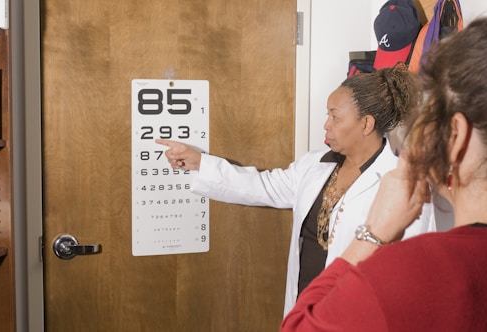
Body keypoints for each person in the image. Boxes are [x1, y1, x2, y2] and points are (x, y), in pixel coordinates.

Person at [156, 66, 435, 316]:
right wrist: (199, 163)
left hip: (358, 316)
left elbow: (412, 273)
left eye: (335, 117)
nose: (326, 125)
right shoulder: (315, 165)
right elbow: (264, 186)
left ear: (366, 124)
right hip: (306, 308)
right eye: (328, 115)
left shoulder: (403, 181)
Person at [280, 16, 487, 331]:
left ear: (455, 136)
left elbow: (299, 326)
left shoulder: (404, 274)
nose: (327, 125)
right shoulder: (317, 165)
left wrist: (372, 234)